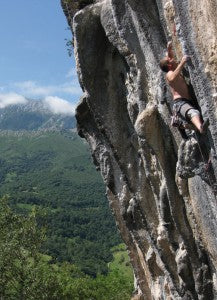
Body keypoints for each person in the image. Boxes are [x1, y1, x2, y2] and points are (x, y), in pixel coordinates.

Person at [160, 41, 207, 133]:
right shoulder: (170, 74)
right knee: (194, 113)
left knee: (194, 113)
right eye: (170, 59)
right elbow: (172, 78)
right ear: (169, 65)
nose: (172, 58)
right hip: (180, 103)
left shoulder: (172, 69)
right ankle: (200, 128)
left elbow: (170, 58)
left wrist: (168, 49)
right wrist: (182, 62)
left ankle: (186, 125)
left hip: (186, 101)